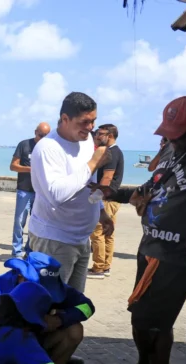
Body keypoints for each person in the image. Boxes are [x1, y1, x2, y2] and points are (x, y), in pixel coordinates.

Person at [95, 96, 186, 364]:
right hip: (151, 245)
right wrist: (114, 193)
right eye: (169, 132)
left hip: (176, 252)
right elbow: (149, 188)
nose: (172, 139)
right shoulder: (170, 151)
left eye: (179, 133)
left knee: (153, 320)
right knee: (140, 316)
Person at [28, 92, 114, 293]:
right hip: (55, 240)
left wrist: (100, 211)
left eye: (93, 121)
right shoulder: (48, 148)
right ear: (65, 119)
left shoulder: (85, 141)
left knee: (73, 306)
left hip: (81, 239)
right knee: (49, 307)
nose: (91, 127)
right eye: (84, 122)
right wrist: (93, 163)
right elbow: (57, 195)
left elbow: (87, 183)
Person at [0, 252, 94, 364]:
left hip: (37, 340)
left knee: (74, 330)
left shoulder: (57, 287)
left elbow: (88, 306)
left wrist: (60, 319)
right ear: (21, 275)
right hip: (3, 345)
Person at [88, 124, 125, 279]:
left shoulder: (111, 152)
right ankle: (106, 265)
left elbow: (107, 178)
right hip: (114, 198)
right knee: (108, 233)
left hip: (107, 199)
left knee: (98, 233)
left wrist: (94, 197)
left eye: (100, 133)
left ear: (110, 135)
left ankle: (98, 268)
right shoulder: (117, 152)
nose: (97, 136)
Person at [10, 123, 51, 258]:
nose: (43, 138)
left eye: (46, 136)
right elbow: (13, 166)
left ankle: (29, 251)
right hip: (24, 190)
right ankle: (16, 251)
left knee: (36, 223)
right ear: (35, 132)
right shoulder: (24, 145)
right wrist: (31, 169)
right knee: (19, 221)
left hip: (40, 192)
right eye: (41, 135)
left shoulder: (50, 148)